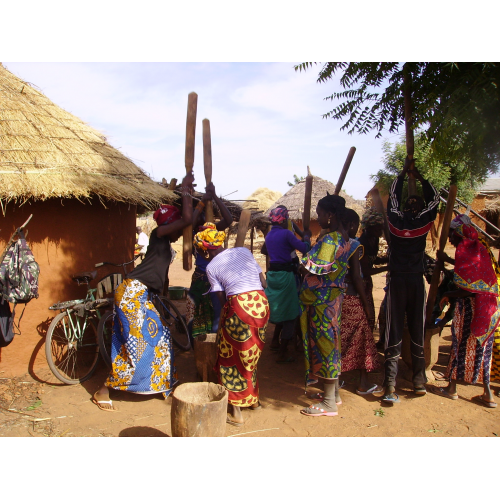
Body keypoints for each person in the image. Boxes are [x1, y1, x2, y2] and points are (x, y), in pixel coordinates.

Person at [92, 173, 194, 411]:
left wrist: (196, 203)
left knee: (162, 336)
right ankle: (103, 390)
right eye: (177, 226)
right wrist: (186, 193)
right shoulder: (158, 235)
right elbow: (188, 219)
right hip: (131, 293)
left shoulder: (165, 244)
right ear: (168, 225)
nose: (181, 232)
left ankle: (162, 383)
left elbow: (190, 220)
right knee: (136, 344)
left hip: (142, 294)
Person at [195, 225, 269, 426]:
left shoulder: (211, 268)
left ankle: (236, 412)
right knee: (251, 353)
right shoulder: (243, 251)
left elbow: (223, 301)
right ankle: (253, 401)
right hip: (261, 304)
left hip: (240, 307)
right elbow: (263, 283)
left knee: (230, 355)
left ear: (205, 251)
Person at [382, 158, 439, 403]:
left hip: (397, 281)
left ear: (405, 208)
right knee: (417, 326)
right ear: (421, 209)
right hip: (415, 281)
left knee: (394, 328)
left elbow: (393, 197)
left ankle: (390, 384)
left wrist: (404, 173)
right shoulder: (424, 223)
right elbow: (435, 199)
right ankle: (418, 381)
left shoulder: (395, 220)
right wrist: (419, 176)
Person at [299, 193, 357, 417]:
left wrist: (302, 261)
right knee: (331, 343)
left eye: (320, 214)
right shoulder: (343, 237)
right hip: (331, 299)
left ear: (330, 215)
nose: (318, 218)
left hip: (323, 301)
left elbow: (312, 267)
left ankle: (329, 403)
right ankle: (334, 395)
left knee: (325, 345)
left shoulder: (331, 239)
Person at [433, 214, 500, 407]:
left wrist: (449, 294)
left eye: (451, 235)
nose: (450, 240)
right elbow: (469, 270)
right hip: (489, 309)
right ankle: (488, 394)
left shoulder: (465, 249)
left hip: (473, 308)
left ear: (458, 233)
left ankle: (451, 389)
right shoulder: (479, 247)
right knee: (483, 350)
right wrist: (447, 260)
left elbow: (468, 289)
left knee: (459, 345)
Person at [338, 209, 380, 395]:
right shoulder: (353, 245)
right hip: (351, 297)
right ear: (352, 225)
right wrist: (366, 303)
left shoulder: (328, 242)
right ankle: (363, 383)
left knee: (338, 338)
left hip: (334, 299)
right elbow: (356, 276)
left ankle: (335, 381)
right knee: (363, 336)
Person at [186, 182, 233, 340]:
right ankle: (197, 346)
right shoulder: (194, 235)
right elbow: (190, 223)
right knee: (194, 314)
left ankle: (214, 345)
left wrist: (214, 197)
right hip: (200, 279)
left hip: (216, 279)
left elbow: (228, 219)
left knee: (217, 315)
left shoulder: (212, 232)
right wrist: (202, 202)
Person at [264, 206, 311, 363]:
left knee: (281, 309)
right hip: (286, 276)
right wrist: (306, 237)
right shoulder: (286, 234)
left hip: (273, 276)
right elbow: (304, 248)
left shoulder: (269, 236)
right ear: (284, 220)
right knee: (291, 313)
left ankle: (277, 343)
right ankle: (283, 353)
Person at [358, 207, 388, 339]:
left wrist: (387, 260)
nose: (380, 232)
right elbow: (366, 270)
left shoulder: (373, 240)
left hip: (367, 282)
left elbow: (373, 260)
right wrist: (388, 267)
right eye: (378, 229)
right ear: (369, 227)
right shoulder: (362, 244)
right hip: (360, 283)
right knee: (366, 313)